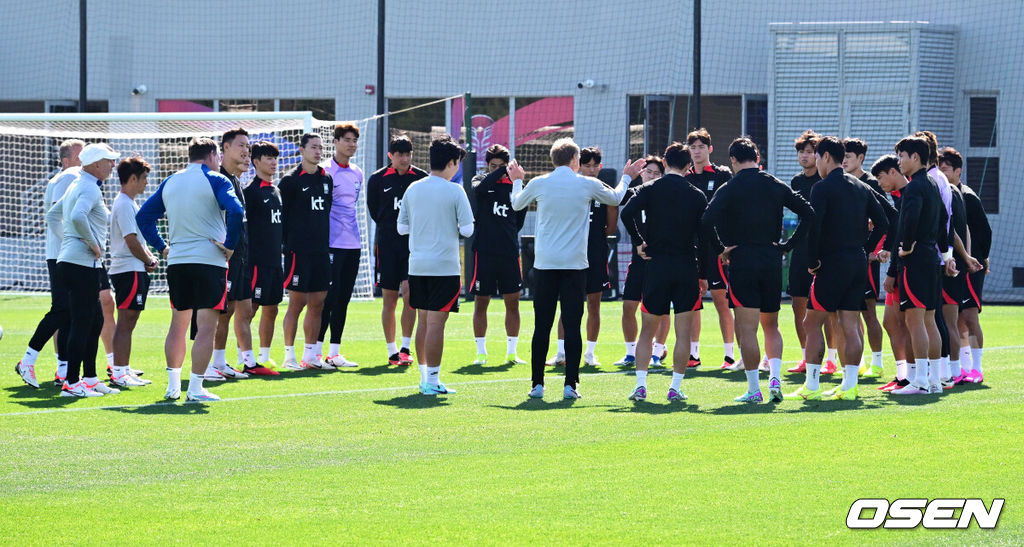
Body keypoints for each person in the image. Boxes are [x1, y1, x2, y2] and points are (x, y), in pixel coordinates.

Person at [509, 138, 641, 400]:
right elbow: (616, 196)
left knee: (542, 326)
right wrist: (626, 177)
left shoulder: (539, 182)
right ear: (575, 161)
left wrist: (516, 180)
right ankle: (570, 385)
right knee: (572, 326)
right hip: (574, 267)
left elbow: (516, 204)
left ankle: (537, 385)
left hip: (545, 265)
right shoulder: (586, 183)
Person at [702, 137, 815, 403]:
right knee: (772, 325)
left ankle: (754, 389)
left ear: (732, 160)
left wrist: (721, 248)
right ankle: (775, 377)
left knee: (748, 328)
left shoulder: (730, 187)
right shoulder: (773, 183)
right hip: (771, 259)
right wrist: (789, 245)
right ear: (757, 157)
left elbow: (706, 220)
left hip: (743, 260)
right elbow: (809, 212)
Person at [136, 137, 244, 402]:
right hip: (209, 260)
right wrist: (230, 245)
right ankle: (195, 388)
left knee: (178, 324)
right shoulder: (218, 180)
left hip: (178, 261)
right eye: (218, 156)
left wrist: (162, 247)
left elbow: (143, 217)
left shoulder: (171, 180)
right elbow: (237, 210)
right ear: (211, 155)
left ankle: (173, 386)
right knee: (207, 326)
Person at [786, 137, 889, 402]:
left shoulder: (821, 188)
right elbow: (883, 222)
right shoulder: (861, 186)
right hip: (857, 262)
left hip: (832, 263)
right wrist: (865, 248)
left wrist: (812, 262)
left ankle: (812, 385)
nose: (817, 163)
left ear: (826, 157)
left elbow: (814, 227)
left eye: (818, 157)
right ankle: (849, 385)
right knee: (850, 324)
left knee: (812, 322)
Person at [619, 142, 707, 401]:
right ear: (689, 166)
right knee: (683, 332)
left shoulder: (649, 188)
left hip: (656, 266)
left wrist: (638, 241)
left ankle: (641, 385)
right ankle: (675, 387)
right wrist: (702, 273)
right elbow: (703, 238)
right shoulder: (696, 195)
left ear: (665, 163)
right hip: (685, 267)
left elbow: (627, 215)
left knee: (647, 330)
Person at [397, 134, 474, 395]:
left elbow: (401, 228)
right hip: (444, 267)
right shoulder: (455, 190)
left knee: (423, 321)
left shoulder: (413, 188)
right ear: (452, 162)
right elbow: (467, 229)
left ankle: (424, 378)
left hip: (417, 265)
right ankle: (432, 381)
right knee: (435, 325)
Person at [44, 143, 122, 397]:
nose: (112, 165)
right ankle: (72, 383)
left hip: (76, 263)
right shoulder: (87, 187)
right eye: (109, 160)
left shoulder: (80, 184)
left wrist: (69, 240)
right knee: (82, 323)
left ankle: (88, 378)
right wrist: (92, 243)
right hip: (79, 264)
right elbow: (77, 217)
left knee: (95, 320)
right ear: (96, 163)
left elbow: (53, 216)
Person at [886, 136, 950, 395]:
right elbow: (945, 219)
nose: (899, 161)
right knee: (930, 320)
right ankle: (934, 381)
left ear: (915, 157)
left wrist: (908, 245)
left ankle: (920, 381)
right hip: (932, 259)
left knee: (915, 321)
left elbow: (909, 221)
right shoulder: (934, 184)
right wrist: (946, 256)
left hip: (915, 260)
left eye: (902, 156)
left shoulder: (914, 187)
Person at [16, 139, 83, 388]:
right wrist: (74, 242)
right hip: (62, 255)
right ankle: (28, 360)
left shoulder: (73, 176)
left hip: (66, 253)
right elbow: (56, 215)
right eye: (79, 155)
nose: (83, 159)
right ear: (66, 161)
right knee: (63, 310)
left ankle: (63, 370)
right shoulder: (68, 177)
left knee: (69, 313)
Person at [546, 146, 617, 367]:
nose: (592, 170)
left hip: (595, 254)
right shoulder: (572, 187)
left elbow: (611, 226)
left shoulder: (605, 190)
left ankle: (589, 354)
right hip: (570, 253)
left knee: (594, 304)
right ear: (578, 165)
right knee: (566, 304)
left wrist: (595, 239)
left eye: (596, 166)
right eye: (587, 165)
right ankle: (561, 353)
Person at [367, 135, 427, 366]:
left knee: (410, 294)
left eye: (408, 154)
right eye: (399, 154)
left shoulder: (421, 179)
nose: (404, 158)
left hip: (413, 246)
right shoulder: (377, 180)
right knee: (389, 298)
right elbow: (375, 211)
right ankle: (391, 350)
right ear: (390, 156)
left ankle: (405, 347)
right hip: (387, 245)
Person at [278, 133, 334, 370]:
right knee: (297, 302)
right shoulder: (289, 181)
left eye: (321, 148)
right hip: (297, 252)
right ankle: (289, 356)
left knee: (318, 303)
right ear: (301, 150)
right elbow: (281, 218)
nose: (318, 151)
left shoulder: (326, 178)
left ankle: (310, 355)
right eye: (313, 147)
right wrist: (284, 247)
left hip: (321, 251)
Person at [786, 130, 839, 375]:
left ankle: (831, 358)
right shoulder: (795, 182)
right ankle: (806, 355)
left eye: (810, 152)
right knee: (798, 304)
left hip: (823, 251)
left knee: (824, 309)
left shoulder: (827, 182)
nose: (805, 156)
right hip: (800, 251)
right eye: (802, 152)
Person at [468, 144, 527, 366]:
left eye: (503, 166)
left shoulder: (517, 185)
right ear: (487, 165)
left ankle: (512, 352)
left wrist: (511, 177)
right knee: (481, 301)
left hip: (509, 253)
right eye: (493, 166)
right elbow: (480, 190)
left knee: (512, 302)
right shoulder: (479, 179)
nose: (499, 170)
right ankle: (481, 353)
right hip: (484, 252)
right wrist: (498, 172)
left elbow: (518, 220)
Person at [842, 138, 896, 379]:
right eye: (841, 156)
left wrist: (877, 250)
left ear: (860, 158)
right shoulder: (841, 182)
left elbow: (887, 220)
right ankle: (858, 362)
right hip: (847, 257)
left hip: (866, 259)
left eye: (848, 157)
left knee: (869, 312)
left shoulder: (871, 183)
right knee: (848, 313)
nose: (843, 161)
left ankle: (877, 362)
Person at [204, 128, 253, 381]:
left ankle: (220, 362)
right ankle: (209, 364)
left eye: (248, 146)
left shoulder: (235, 180)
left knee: (230, 309)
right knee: (219, 311)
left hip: (238, 257)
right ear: (224, 148)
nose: (247, 151)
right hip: (220, 257)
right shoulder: (217, 179)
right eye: (241, 145)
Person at [938, 147, 990, 384]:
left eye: (946, 168)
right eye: (939, 167)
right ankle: (961, 367)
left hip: (970, 266)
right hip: (954, 266)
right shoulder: (943, 193)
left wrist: (978, 259)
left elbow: (984, 231)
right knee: (955, 318)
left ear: (958, 171)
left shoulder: (967, 196)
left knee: (969, 316)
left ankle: (977, 369)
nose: (941, 171)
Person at [615, 155, 673, 368]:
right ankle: (631, 353)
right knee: (629, 306)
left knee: (662, 310)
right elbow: (614, 198)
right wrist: (625, 178)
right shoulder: (633, 194)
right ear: (641, 174)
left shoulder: (666, 195)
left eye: (657, 173)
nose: (652, 176)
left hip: (660, 263)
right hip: (638, 262)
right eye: (649, 172)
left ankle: (657, 353)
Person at [683, 129, 734, 370]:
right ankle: (693, 354)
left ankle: (730, 355)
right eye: (693, 146)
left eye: (701, 146)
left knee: (721, 299)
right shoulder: (684, 177)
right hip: (692, 248)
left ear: (710, 149)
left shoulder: (723, 174)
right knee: (692, 302)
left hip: (717, 247)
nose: (697, 150)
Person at [107, 156, 158, 388]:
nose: (147, 182)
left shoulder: (129, 202)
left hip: (133, 268)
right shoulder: (125, 203)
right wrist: (148, 259)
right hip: (128, 269)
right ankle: (119, 372)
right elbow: (131, 240)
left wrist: (147, 258)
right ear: (133, 178)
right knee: (126, 320)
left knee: (129, 320)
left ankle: (124, 368)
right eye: (144, 178)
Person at [318, 123, 364, 368]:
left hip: (352, 244)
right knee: (328, 298)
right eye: (347, 139)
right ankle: (315, 350)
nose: (351, 144)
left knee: (344, 298)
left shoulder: (357, 172)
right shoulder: (325, 171)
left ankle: (334, 352)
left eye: (355, 140)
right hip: (331, 244)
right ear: (335, 141)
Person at [239, 140, 283, 376]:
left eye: (275, 158)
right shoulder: (250, 193)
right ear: (255, 162)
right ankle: (243, 356)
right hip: (256, 261)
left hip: (275, 260)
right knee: (250, 309)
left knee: (272, 307)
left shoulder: (276, 191)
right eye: (268, 158)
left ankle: (264, 356)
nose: (273, 162)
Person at [872, 155, 914, 392]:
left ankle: (914, 375)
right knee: (891, 322)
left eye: (880, 178)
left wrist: (892, 272)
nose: (879, 183)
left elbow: (905, 238)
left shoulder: (910, 195)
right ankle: (902, 375)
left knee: (906, 323)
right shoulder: (897, 199)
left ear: (892, 172)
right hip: (898, 268)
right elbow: (896, 232)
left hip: (906, 270)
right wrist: (887, 248)